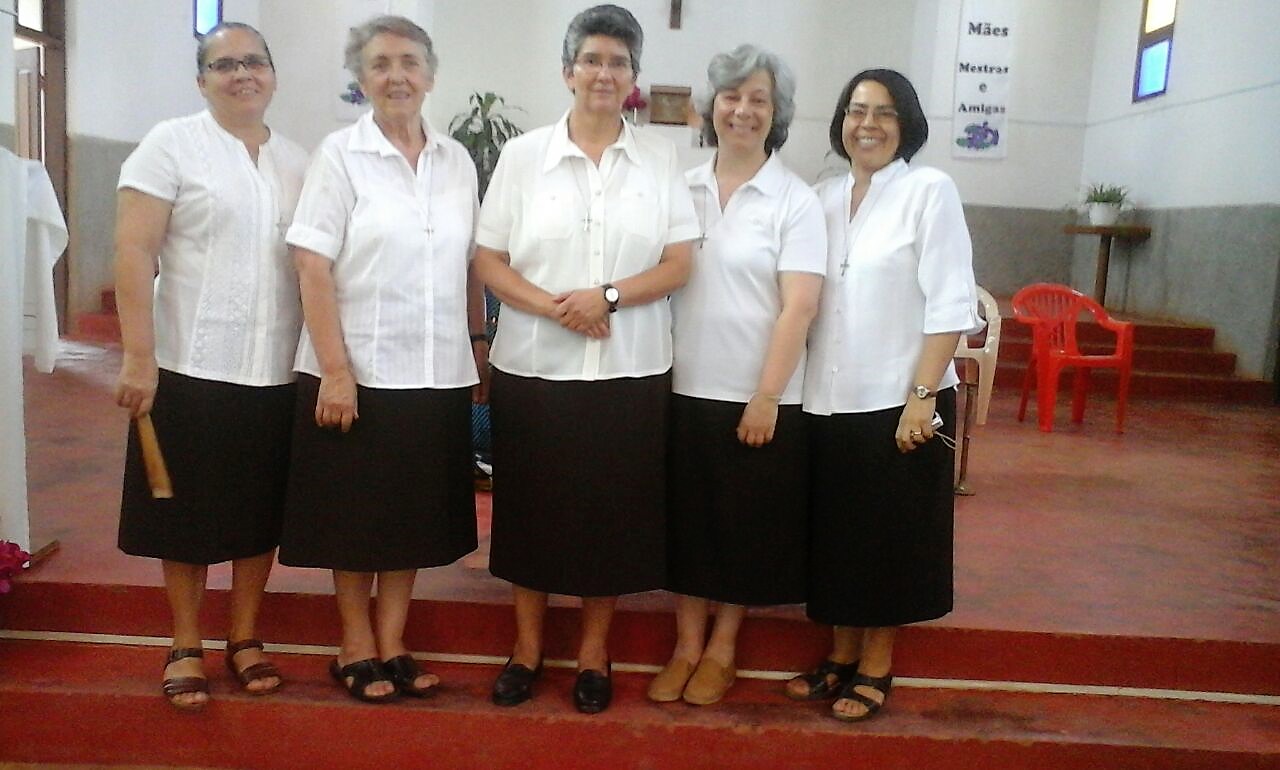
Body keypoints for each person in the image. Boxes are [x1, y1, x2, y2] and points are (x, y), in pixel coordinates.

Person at [472, 4, 698, 714]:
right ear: (568, 71)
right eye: (592, 59)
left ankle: (594, 654)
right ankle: (527, 649)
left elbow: (679, 263)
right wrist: (555, 307)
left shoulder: (660, 160)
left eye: (619, 62)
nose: (605, 73)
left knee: (610, 516)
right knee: (531, 511)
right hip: (536, 368)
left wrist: (608, 297)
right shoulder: (522, 157)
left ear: (634, 78)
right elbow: (488, 259)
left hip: (629, 371)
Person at [277, 15, 486, 704]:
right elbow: (312, 264)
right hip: (358, 369)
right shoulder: (340, 156)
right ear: (361, 79)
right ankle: (354, 643)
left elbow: (471, 264)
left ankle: (393, 640)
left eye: (408, 62)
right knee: (354, 517)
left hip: (436, 370)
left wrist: (478, 344)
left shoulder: (457, 161)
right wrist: (335, 371)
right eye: (380, 64)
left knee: (410, 518)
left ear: (430, 74)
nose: (396, 76)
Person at [113, 22, 308, 710]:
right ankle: (187, 640)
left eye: (254, 62)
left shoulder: (297, 161)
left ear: (273, 75)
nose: (242, 74)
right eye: (224, 65)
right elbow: (134, 251)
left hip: (275, 365)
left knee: (260, 512)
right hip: (188, 363)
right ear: (202, 81)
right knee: (186, 515)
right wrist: (139, 356)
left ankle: (245, 635)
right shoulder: (170, 144)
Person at [787, 69, 982, 721]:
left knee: (886, 539)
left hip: (901, 399)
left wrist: (923, 394)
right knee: (837, 537)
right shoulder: (820, 197)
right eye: (856, 110)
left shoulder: (929, 191)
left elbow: (951, 299)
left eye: (884, 112)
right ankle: (839, 655)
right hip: (827, 397)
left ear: (907, 125)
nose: (867, 124)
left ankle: (875, 665)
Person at [649, 45, 825, 706]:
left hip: (759, 393)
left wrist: (767, 395)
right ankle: (685, 647)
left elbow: (799, 306)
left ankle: (721, 651)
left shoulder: (794, 200)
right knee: (689, 527)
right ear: (710, 105)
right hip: (682, 386)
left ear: (777, 114)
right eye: (731, 96)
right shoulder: (681, 187)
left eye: (759, 100)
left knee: (741, 528)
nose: (743, 110)